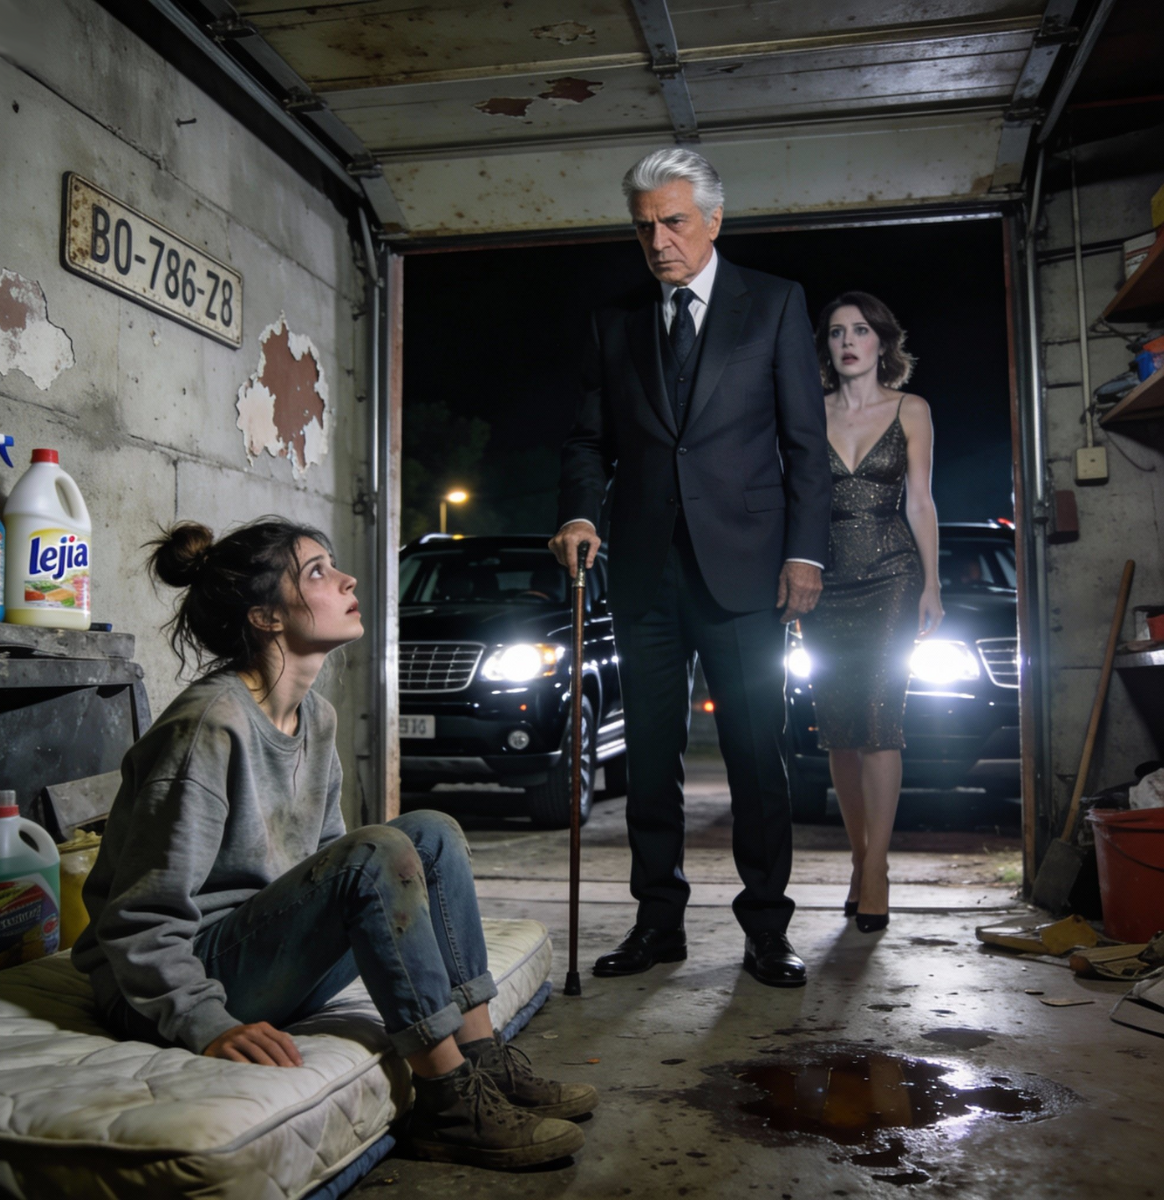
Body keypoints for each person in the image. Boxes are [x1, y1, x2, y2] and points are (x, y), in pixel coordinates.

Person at [72, 517, 596, 1170]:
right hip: (176, 981)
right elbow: (139, 921)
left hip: (266, 956)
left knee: (430, 834)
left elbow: (328, 869)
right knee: (374, 852)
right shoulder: (208, 728)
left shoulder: (315, 715)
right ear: (266, 616)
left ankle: (482, 1060)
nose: (347, 580)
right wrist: (206, 1022)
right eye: (318, 572)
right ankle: (448, 1103)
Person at [550, 149, 832, 988]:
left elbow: (805, 445)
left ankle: (767, 928)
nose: (658, 242)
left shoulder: (774, 304)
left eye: (673, 223)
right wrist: (578, 514)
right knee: (649, 759)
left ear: (713, 219)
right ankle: (657, 923)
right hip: (645, 572)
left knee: (756, 755)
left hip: (747, 571)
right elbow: (588, 440)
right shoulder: (614, 320)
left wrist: (804, 552)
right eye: (643, 227)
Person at [799, 292, 943, 933]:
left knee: (881, 721)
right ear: (826, 347)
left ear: (882, 342)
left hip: (891, 578)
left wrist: (932, 584)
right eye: (836, 333)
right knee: (840, 729)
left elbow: (920, 502)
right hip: (825, 585)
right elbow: (795, 502)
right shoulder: (808, 411)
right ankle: (858, 858)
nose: (848, 342)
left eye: (860, 331)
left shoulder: (912, 409)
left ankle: (878, 869)